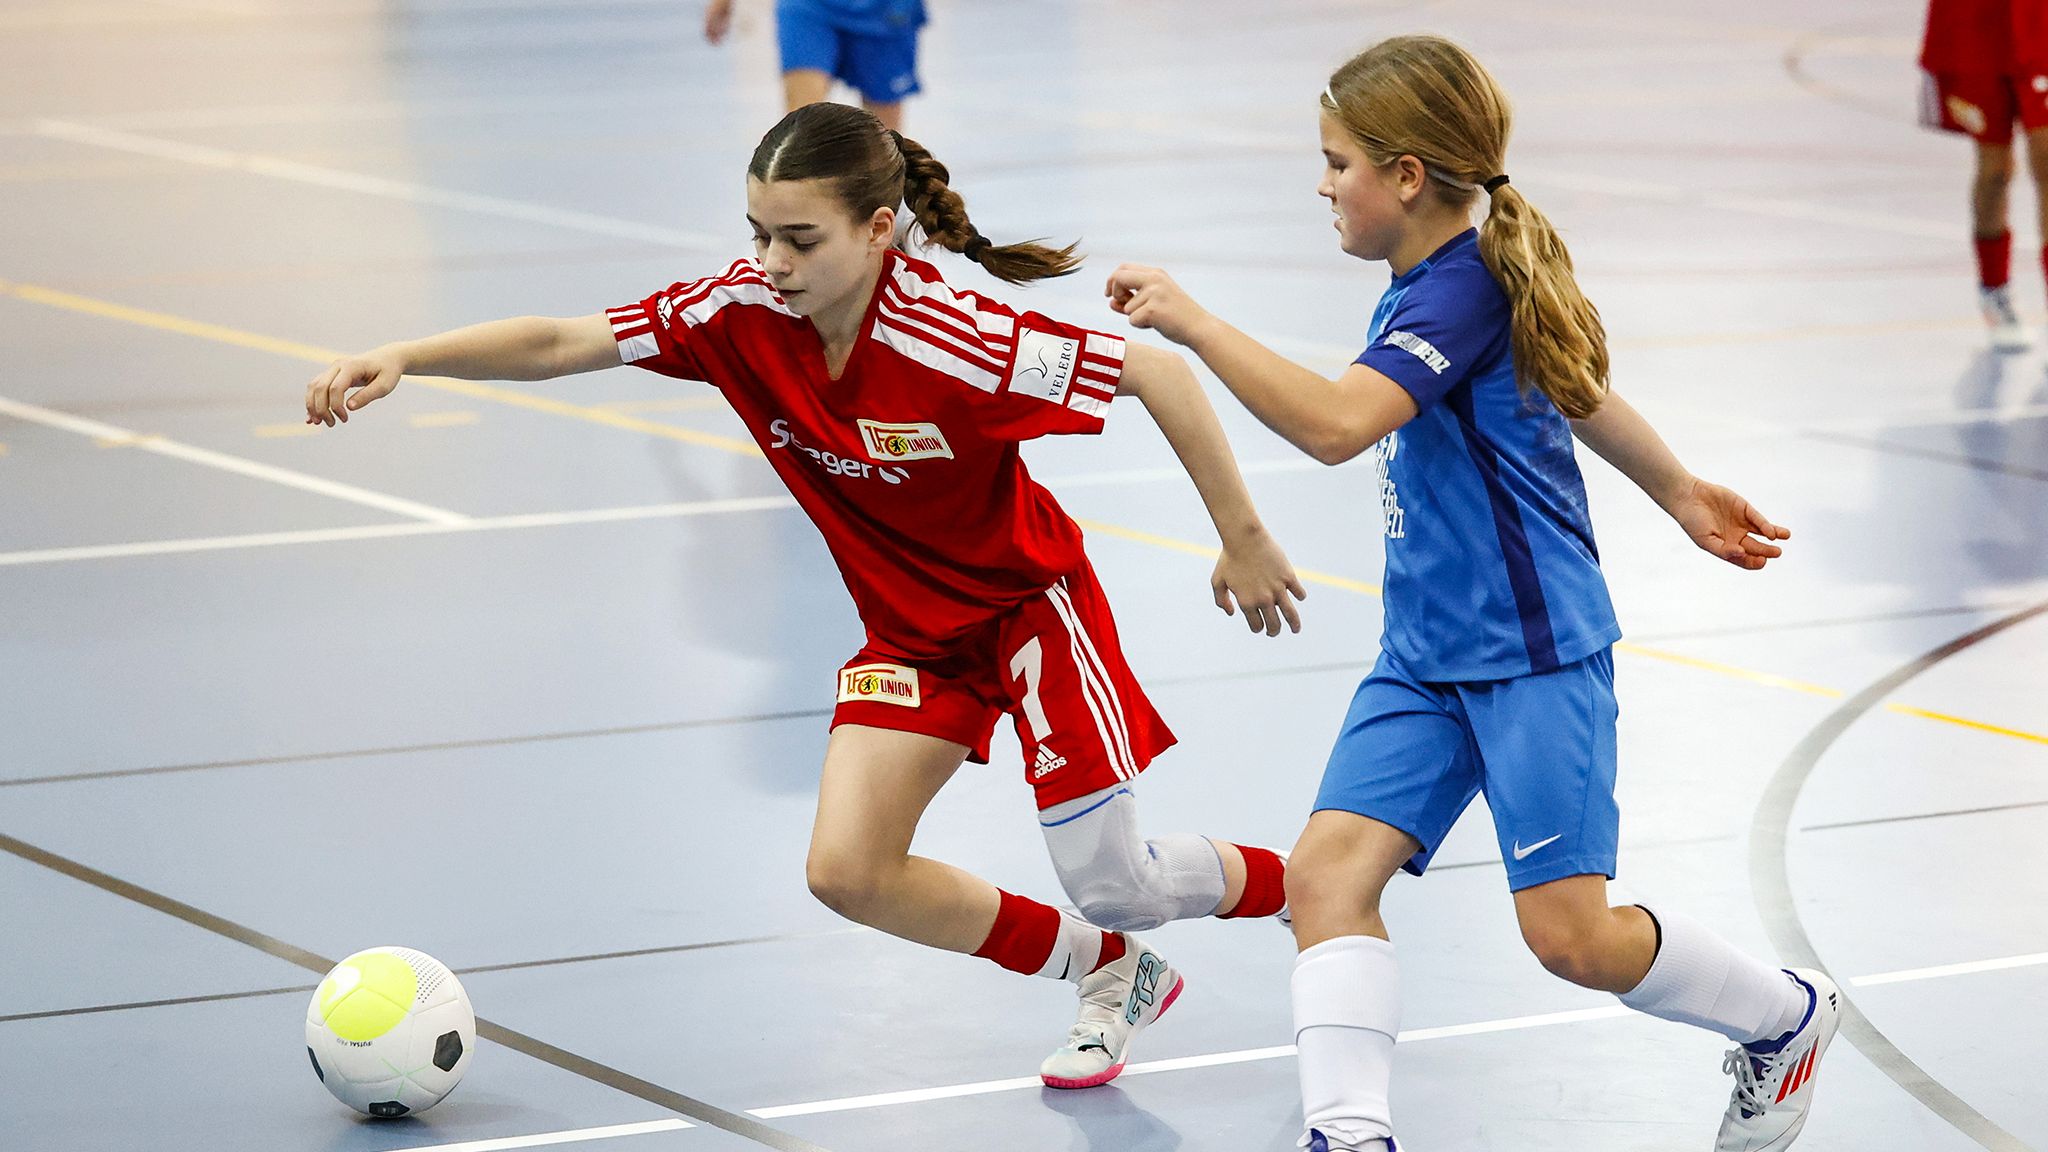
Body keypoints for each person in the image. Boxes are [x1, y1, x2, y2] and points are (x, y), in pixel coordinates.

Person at [304, 101, 1306, 1090]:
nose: (771, 262)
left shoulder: (954, 337)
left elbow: (1160, 374)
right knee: (848, 872)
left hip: (1025, 611)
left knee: (1115, 883)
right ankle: (1107, 973)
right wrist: (408, 355)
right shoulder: (737, 314)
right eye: (757, 234)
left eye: (798, 239)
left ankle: (1306, 886)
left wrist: (1243, 537)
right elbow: (562, 342)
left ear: (877, 232)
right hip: (909, 633)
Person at [1104, 34, 1839, 1151]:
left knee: (1571, 940)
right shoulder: (1436, 282)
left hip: (1530, 657)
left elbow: (1335, 427)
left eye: (1335, 160)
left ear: (1406, 176)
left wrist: (1193, 320)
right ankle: (1347, 1134)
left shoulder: (1456, 293)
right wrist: (1679, 490)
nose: (1320, 183)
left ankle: (1783, 1022)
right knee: (1325, 880)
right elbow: (1577, 392)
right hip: (1423, 655)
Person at [1920, 0, 2048, 351]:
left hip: (2038, 21)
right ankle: (1994, 289)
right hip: (1975, 26)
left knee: (2047, 160)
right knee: (1995, 172)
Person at [705, 0, 925, 130]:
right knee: (802, 124)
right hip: (809, 6)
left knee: (883, 136)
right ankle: (801, 203)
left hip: (884, 11)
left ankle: (879, 201)